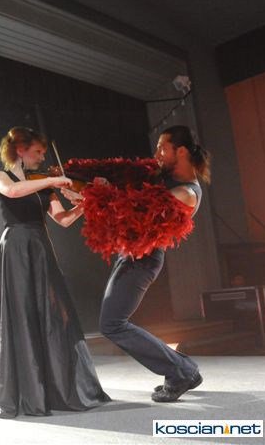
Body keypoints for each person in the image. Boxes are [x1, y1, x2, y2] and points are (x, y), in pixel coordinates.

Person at [0, 126, 110, 418]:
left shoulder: (44, 184)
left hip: (40, 247)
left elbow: (62, 219)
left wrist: (84, 205)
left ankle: (53, 387)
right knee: (20, 313)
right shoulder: (2, 176)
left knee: (51, 312)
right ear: (20, 150)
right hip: (15, 246)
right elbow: (13, 191)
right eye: (37, 151)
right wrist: (53, 180)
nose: (41, 157)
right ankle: (23, 392)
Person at [93, 125, 210, 403]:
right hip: (131, 256)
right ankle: (184, 370)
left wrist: (103, 195)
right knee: (112, 322)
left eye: (162, 148)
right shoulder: (164, 177)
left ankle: (181, 372)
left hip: (143, 261)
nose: (156, 153)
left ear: (181, 151)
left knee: (112, 324)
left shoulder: (186, 193)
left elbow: (134, 212)